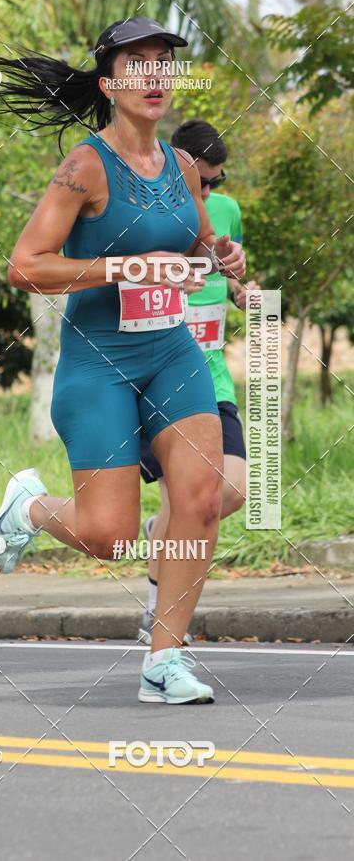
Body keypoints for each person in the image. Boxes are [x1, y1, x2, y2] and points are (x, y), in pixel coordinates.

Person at [0, 18, 245, 704]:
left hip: (172, 354)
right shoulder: (85, 166)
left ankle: (165, 661)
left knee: (202, 499)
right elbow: (25, 265)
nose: (156, 75)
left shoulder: (185, 168)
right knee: (109, 537)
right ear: (109, 84)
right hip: (99, 365)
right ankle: (28, 507)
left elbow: (195, 248)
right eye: (139, 64)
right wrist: (124, 266)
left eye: (164, 63)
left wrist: (219, 259)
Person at [138, 119, 259, 644]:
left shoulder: (227, 213)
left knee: (230, 491)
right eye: (200, 181)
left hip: (212, 375)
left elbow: (230, 277)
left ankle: (158, 535)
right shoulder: (147, 214)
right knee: (188, 498)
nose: (208, 193)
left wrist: (242, 291)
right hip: (158, 377)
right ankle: (157, 618)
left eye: (216, 182)